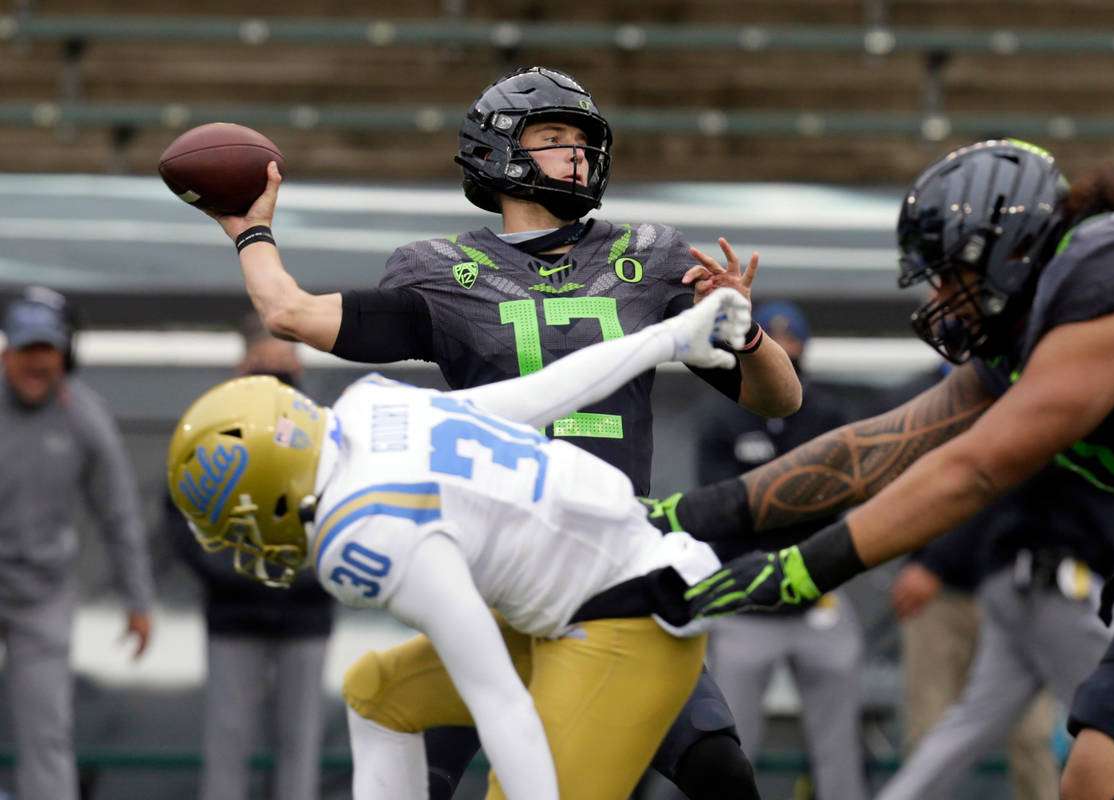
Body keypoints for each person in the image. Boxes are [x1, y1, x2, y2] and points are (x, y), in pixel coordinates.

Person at [197, 65, 801, 800]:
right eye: (553, 137)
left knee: (721, 770)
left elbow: (780, 399)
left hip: (611, 561)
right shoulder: (446, 273)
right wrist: (250, 229)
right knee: (427, 767)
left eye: (582, 138)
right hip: (491, 571)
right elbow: (290, 314)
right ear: (498, 155)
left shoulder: (648, 257)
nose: (576, 153)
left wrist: (744, 333)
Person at [655, 139, 1114, 799]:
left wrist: (799, 569)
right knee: (1100, 771)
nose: (942, 296)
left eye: (949, 274)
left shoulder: (1110, 290)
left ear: (1003, 250)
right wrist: (685, 515)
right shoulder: (1046, 313)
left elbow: (972, 470)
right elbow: (874, 449)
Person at [166, 289, 751, 800]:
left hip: (626, 623)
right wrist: (669, 337)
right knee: (376, 692)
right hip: (591, 586)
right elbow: (537, 396)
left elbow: (499, 703)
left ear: (269, 491)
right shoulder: (368, 406)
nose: (250, 541)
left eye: (244, 525)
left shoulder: (360, 536)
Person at [690, 300, 868, 800]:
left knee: (838, 748)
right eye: (777, 340)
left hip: (816, 594)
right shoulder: (722, 416)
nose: (786, 350)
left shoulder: (828, 412)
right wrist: (792, 494)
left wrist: (762, 497)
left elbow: (838, 496)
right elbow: (720, 503)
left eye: (794, 342)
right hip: (746, 601)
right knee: (730, 742)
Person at [878, 461, 1114, 800]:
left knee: (970, 726)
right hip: (1052, 582)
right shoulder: (1071, 413)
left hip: (1011, 583)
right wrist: (938, 561)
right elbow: (999, 475)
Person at [164, 312, 334, 800]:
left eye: (285, 347)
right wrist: (240, 571)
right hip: (233, 612)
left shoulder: (322, 421)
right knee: (228, 740)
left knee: (300, 744)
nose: (275, 360)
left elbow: (346, 507)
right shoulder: (214, 422)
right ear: (243, 360)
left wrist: (301, 574)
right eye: (265, 348)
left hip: (305, 612)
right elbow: (180, 509)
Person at [0, 287, 154, 800]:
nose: (36, 362)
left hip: (42, 597)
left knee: (45, 735)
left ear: (65, 355)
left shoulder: (86, 417)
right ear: (7, 353)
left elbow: (119, 514)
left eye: (47, 349)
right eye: (27, 349)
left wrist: (138, 602)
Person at [887, 365, 1060, 800]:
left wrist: (937, 562)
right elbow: (904, 490)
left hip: (1011, 588)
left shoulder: (1024, 382)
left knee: (1033, 736)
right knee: (928, 729)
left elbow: (1007, 488)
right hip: (938, 598)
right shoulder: (916, 395)